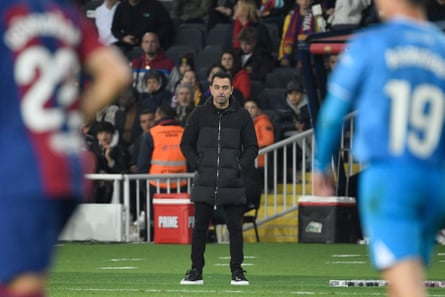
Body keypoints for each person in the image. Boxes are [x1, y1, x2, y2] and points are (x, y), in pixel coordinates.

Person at [313, 1, 445, 296]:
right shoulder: (441, 46)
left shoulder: (371, 44)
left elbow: (332, 114)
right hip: (436, 180)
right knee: (404, 279)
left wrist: (320, 164)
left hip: (390, 178)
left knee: (407, 286)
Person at [0, 0, 131, 296]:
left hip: (21, 170)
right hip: (64, 166)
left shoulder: (6, 13)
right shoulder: (65, 15)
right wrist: (65, 121)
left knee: (19, 285)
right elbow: (116, 73)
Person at [180, 71, 258, 285]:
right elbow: (185, 144)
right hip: (205, 179)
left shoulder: (242, 116)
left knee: (235, 228)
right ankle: (195, 271)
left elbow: (252, 147)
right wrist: (198, 163)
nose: (221, 91)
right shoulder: (198, 114)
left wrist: (239, 166)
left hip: (232, 180)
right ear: (211, 89)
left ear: (231, 89)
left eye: (225, 87)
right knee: (200, 229)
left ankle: (237, 271)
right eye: (217, 87)